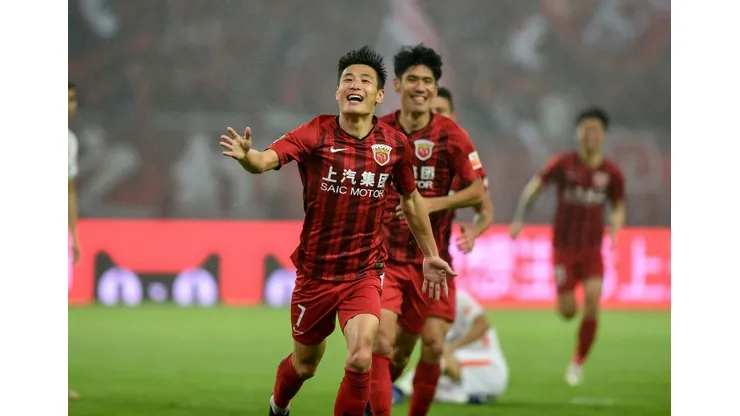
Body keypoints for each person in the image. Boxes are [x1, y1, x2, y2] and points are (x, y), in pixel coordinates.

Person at [218, 46, 456, 416]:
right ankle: (278, 406)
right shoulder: (317, 132)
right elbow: (265, 160)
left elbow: (411, 200)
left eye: (365, 80)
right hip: (315, 273)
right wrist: (248, 156)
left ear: (379, 95)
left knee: (361, 356)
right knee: (305, 365)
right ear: (338, 91)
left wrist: (430, 255)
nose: (355, 85)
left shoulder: (394, 145)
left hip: (364, 272)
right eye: (348, 79)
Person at [366, 45, 487, 416]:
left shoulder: (452, 136)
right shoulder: (378, 130)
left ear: (435, 88)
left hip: (431, 263)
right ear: (397, 85)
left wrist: (430, 204)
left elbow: (477, 191)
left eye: (428, 81)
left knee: (422, 347)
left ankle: (381, 400)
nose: (420, 87)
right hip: (384, 259)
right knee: (381, 342)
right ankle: (375, 408)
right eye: (413, 79)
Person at [509, 107, 626, 386]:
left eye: (595, 130)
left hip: (592, 249)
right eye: (585, 129)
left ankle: (577, 363)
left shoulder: (611, 172)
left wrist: (616, 230)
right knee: (568, 312)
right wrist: (519, 218)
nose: (590, 135)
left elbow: (618, 205)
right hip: (563, 248)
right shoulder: (563, 164)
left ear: (603, 134)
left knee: (593, 302)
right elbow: (534, 188)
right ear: (577, 133)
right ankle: (564, 299)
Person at [392, 289, 509, 405]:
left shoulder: (458, 299)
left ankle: (399, 389)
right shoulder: (428, 311)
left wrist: (452, 347)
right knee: (427, 389)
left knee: (438, 359)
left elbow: (483, 323)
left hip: (488, 366)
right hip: (465, 374)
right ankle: (467, 398)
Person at [68, 82, 81, 401]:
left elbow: (68, 189)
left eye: (72, 100)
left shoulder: (69, 141)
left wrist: (74, 233)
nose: (69, 105)